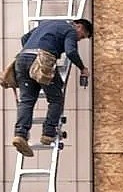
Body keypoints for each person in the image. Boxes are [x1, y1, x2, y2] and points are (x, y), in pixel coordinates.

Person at [11, 18, 93, 157]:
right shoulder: (70, 30)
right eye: (82, 36)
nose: (79, 39)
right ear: (78, 26)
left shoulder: (48, 23)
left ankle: (20, 134)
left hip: (22, 59)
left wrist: (34, 51)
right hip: (42, 61)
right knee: (56, 98)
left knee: (27, 100)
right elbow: (71, 51)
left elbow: (24, 38)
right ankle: (48, 133)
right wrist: (82, 68)